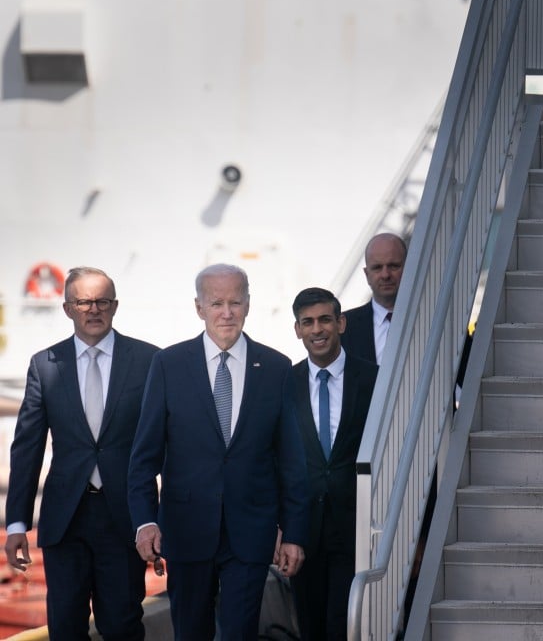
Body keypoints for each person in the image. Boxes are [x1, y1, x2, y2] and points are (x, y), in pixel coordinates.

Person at [126, 263, 308, 640]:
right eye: (217, 303)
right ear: (199, 308)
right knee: (191, 632)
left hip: (252, 531)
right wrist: (145, 522)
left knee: (240, 633)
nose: (227, 313)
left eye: (235, 303)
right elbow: (144, 455)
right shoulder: (168, 365)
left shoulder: (275, 367)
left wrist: (292, 533)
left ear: (248, 305)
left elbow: (291, 459)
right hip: (186, 528)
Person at [5, 266, 158, 640]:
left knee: (122, 624)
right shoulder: (45, 365)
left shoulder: (149, 360)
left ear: (115, 306)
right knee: (66, 627)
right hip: (65, 520)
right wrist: (16, 524)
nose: (94, 309)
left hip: (125, 518)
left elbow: (166, 441)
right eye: (83, 302)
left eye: (102, 301)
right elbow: (28, 447)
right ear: (67, 308)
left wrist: (162, 520)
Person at [289, 287, 378, 639]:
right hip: (303, 534)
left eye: (325, 319)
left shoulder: (373, 379)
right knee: (310, 629)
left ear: (341, 323)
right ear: (297, 329)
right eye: (307, 322)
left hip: (357, 530)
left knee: (348, 628)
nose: (317, 330)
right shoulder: (285, 382)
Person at [341, 232, 406, 365]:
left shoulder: (433, 319)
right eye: (377, 268)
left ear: (408, 267)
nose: (385, 275)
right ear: (366, 274)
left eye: (393, 266)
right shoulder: (343, 328)